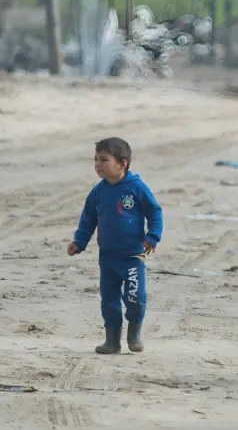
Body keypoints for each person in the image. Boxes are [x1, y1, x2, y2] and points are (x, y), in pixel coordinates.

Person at [68, 137, 164, 355]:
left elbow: (155, 212)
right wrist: (79, 242)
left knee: (135, 296)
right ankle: (112, 340)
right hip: (107, 256)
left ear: (123, 164)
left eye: (104, 160)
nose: (98, 165)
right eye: (95, 160)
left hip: (132, 255)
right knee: (109, 299)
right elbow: (88, 219)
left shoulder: (137, 188)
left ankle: (134, 333)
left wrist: (153, 236)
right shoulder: (97, 192)